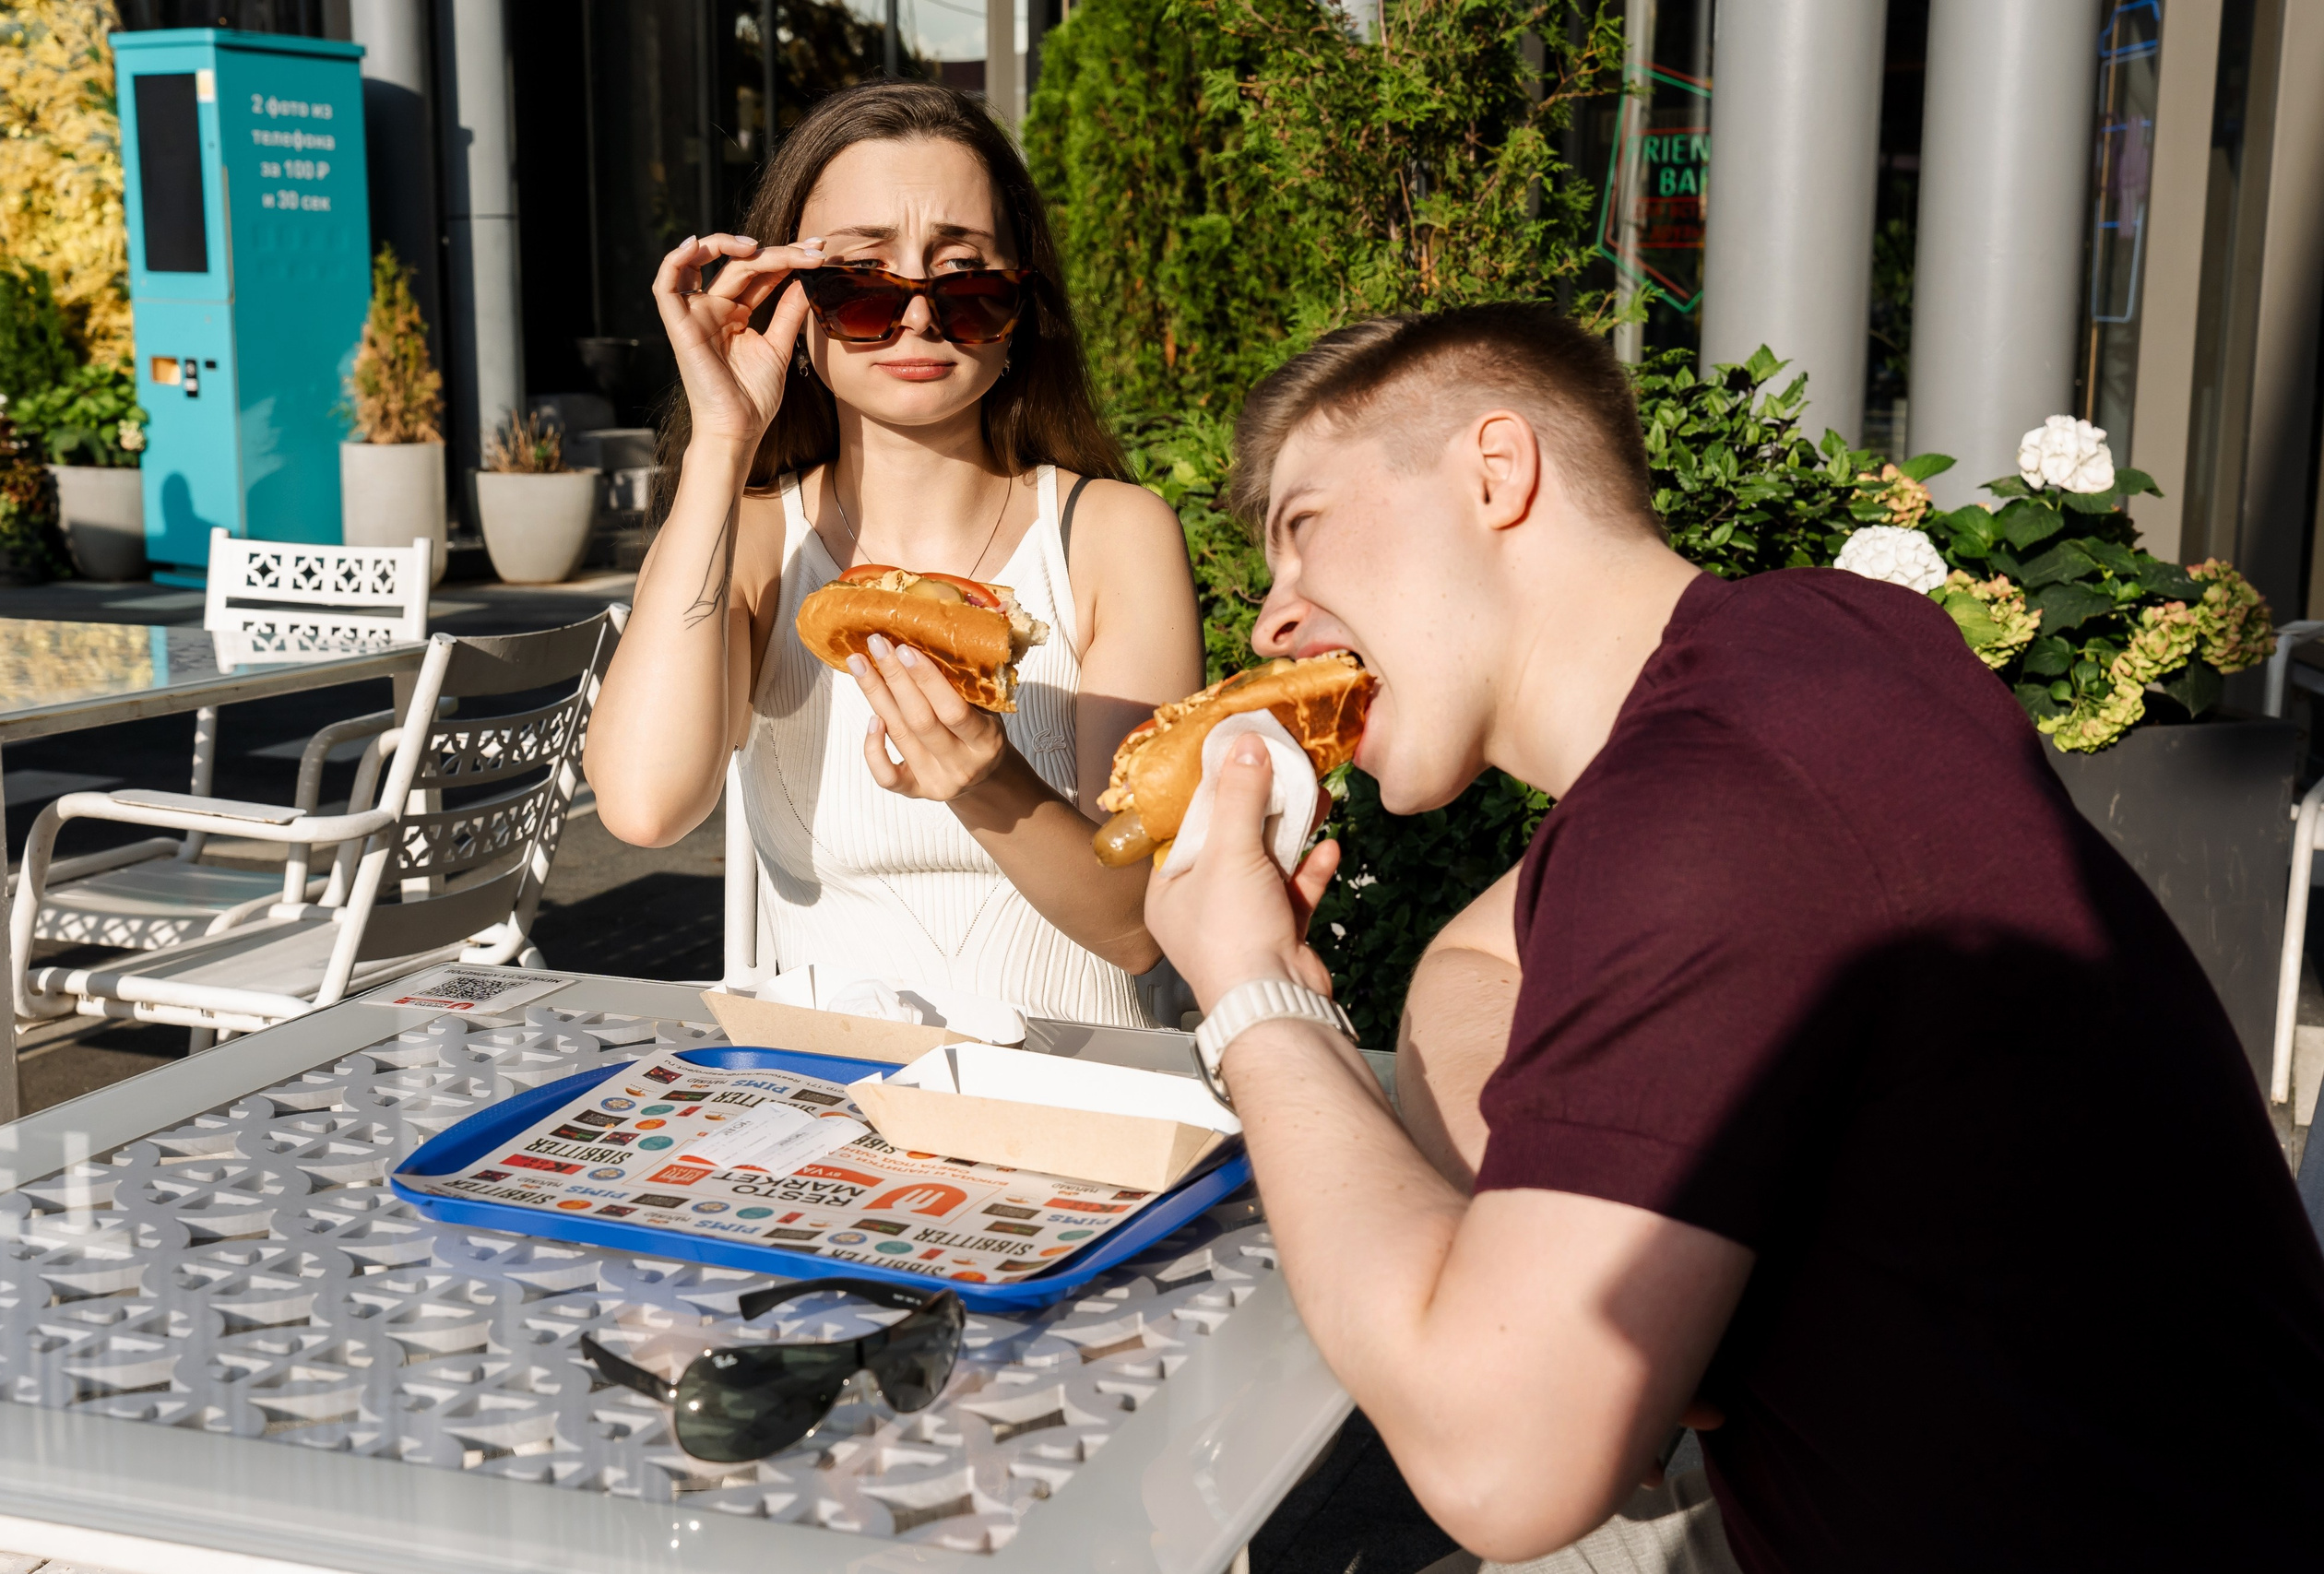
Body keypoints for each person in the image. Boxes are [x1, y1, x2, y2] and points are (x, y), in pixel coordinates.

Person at [1144, 302, 2324, 1571]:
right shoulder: (1823, 641)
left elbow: (1498, 1463)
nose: (1271, 622)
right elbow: (1477, 957)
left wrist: (1254, 990)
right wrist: (1582, 1253)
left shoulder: (1707, 802)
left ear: (1495, 472)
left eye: (1304, 530)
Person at [586, 82, 1201, 1028]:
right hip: (820, 1108)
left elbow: (1138, 927)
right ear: (789, 300)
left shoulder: (1112, 535)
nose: (917, 318)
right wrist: (720, 439)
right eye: (859, 284)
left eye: (967, 280)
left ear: (1023, 308)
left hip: (1072, 1115)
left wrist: (984, 779)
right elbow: (642, 805)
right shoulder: (751, 534)